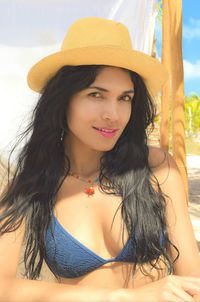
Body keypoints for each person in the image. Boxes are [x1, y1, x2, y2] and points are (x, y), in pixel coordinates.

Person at [0, 17, 200, 302]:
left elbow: (193, 280)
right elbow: (2, 288)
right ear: (63, 99)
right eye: (96, 94)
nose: (113, 114)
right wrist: (124, 297)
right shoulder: (31, 184)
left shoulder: (155, 168)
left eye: (125, 98)